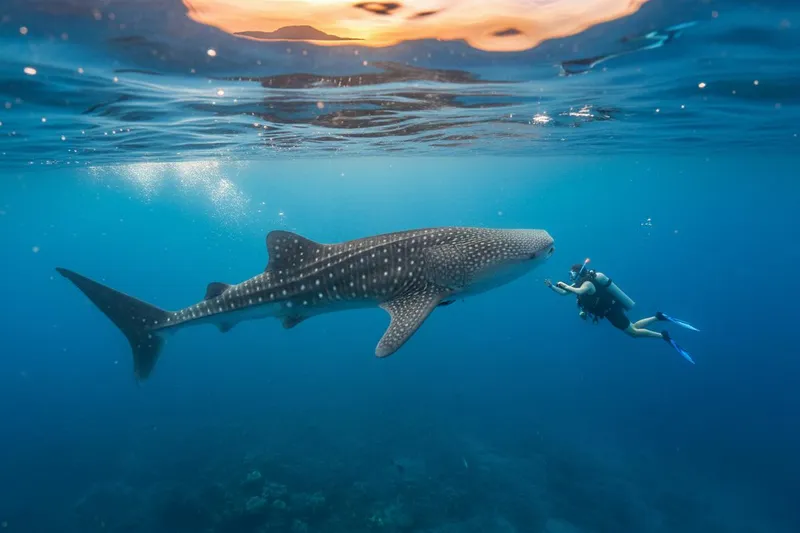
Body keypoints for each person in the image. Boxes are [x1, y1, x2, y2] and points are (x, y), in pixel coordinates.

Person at [545, 259, 698, 363]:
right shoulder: (581, 282)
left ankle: (663, 336)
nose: (569, 275)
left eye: (571, 272)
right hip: (612, 309)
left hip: (611, 312)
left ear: (578, 272)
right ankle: (658, 317)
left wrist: (565, 285)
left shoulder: (587, 283)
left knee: (633, 333)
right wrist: (552, 287)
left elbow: (578, 291)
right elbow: (565, 293)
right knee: (633, 326)